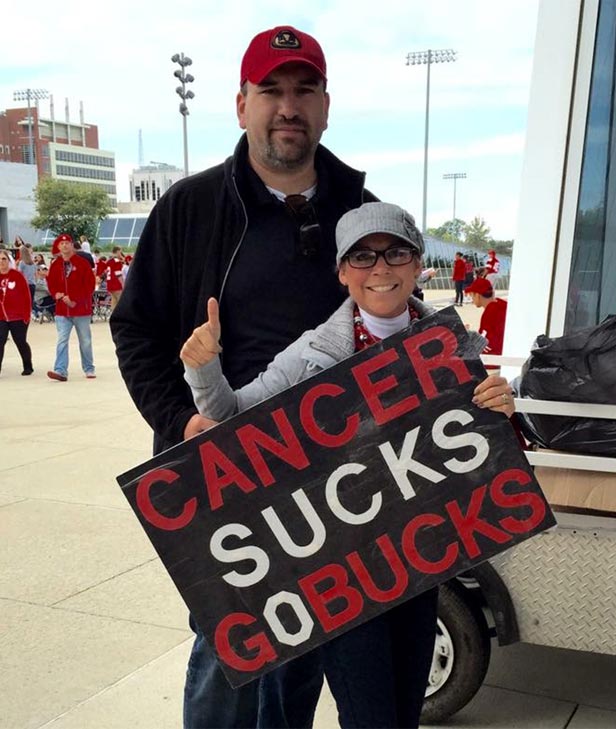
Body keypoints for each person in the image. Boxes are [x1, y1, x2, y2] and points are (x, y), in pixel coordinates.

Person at [110, 23, 379, 728]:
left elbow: (394, 327)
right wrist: (183, 423)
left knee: (302, 654)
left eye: (303, 90)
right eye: (271, 91)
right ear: (240, 105)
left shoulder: (361, 212)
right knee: (226, 657)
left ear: (325, 106)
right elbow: (135, 330)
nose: (287, 107)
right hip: (221, 481)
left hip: (328, 488)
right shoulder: (189, 209)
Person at [180, 202, 516, 728]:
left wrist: (501, 409)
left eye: (395, 252)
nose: (380, 268)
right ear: (341, 272)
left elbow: (482, 459)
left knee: (404, 710)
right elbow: (231, 419)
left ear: (417, 264)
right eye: (362, 256)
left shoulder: (457, 348)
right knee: (369, 717)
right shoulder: (312, 354)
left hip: (423, 561)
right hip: (346, 573)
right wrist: (203, 369)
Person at [46, 233, 95, 381]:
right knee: (62, 340)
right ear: (58, 247)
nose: (65, 245)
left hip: (81, 310)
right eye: (62, 244)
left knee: (85, 341)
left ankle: (89, 368)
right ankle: (60, 370)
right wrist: (56, 294)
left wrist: (75, 300)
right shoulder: (55, 265)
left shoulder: (82, 263)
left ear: (72, 245)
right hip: (62, 310)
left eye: (67, 243)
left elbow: (90, 286)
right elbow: (51, 284)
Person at [0, 249, 34, 375]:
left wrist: (27, 314)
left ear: (8, 261)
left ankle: (27, 365)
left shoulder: (17, 276)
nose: (1, 262)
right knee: (0, 340)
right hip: (1, 317)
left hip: (17, 316)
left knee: (20, 341)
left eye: (4, 259)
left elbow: (26, 296)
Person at [465, 276, 507, 356]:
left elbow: (485, 348)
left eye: (471, 295)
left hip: (497, 360)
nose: (471, 299)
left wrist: (465, 335)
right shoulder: (501, 304)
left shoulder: (491, 311)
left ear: (477, 295)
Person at [97, 246, 127, 311]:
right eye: (120, 252)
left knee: (114, 302)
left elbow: (105, 272)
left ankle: (113, 317)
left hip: (110, 283)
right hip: (116, 284)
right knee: (121, 302)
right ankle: (121, 317)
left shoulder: (109, 261)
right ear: (118, 251)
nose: (121, 253)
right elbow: (118, 274)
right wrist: (123, 284)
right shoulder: (117, 261)